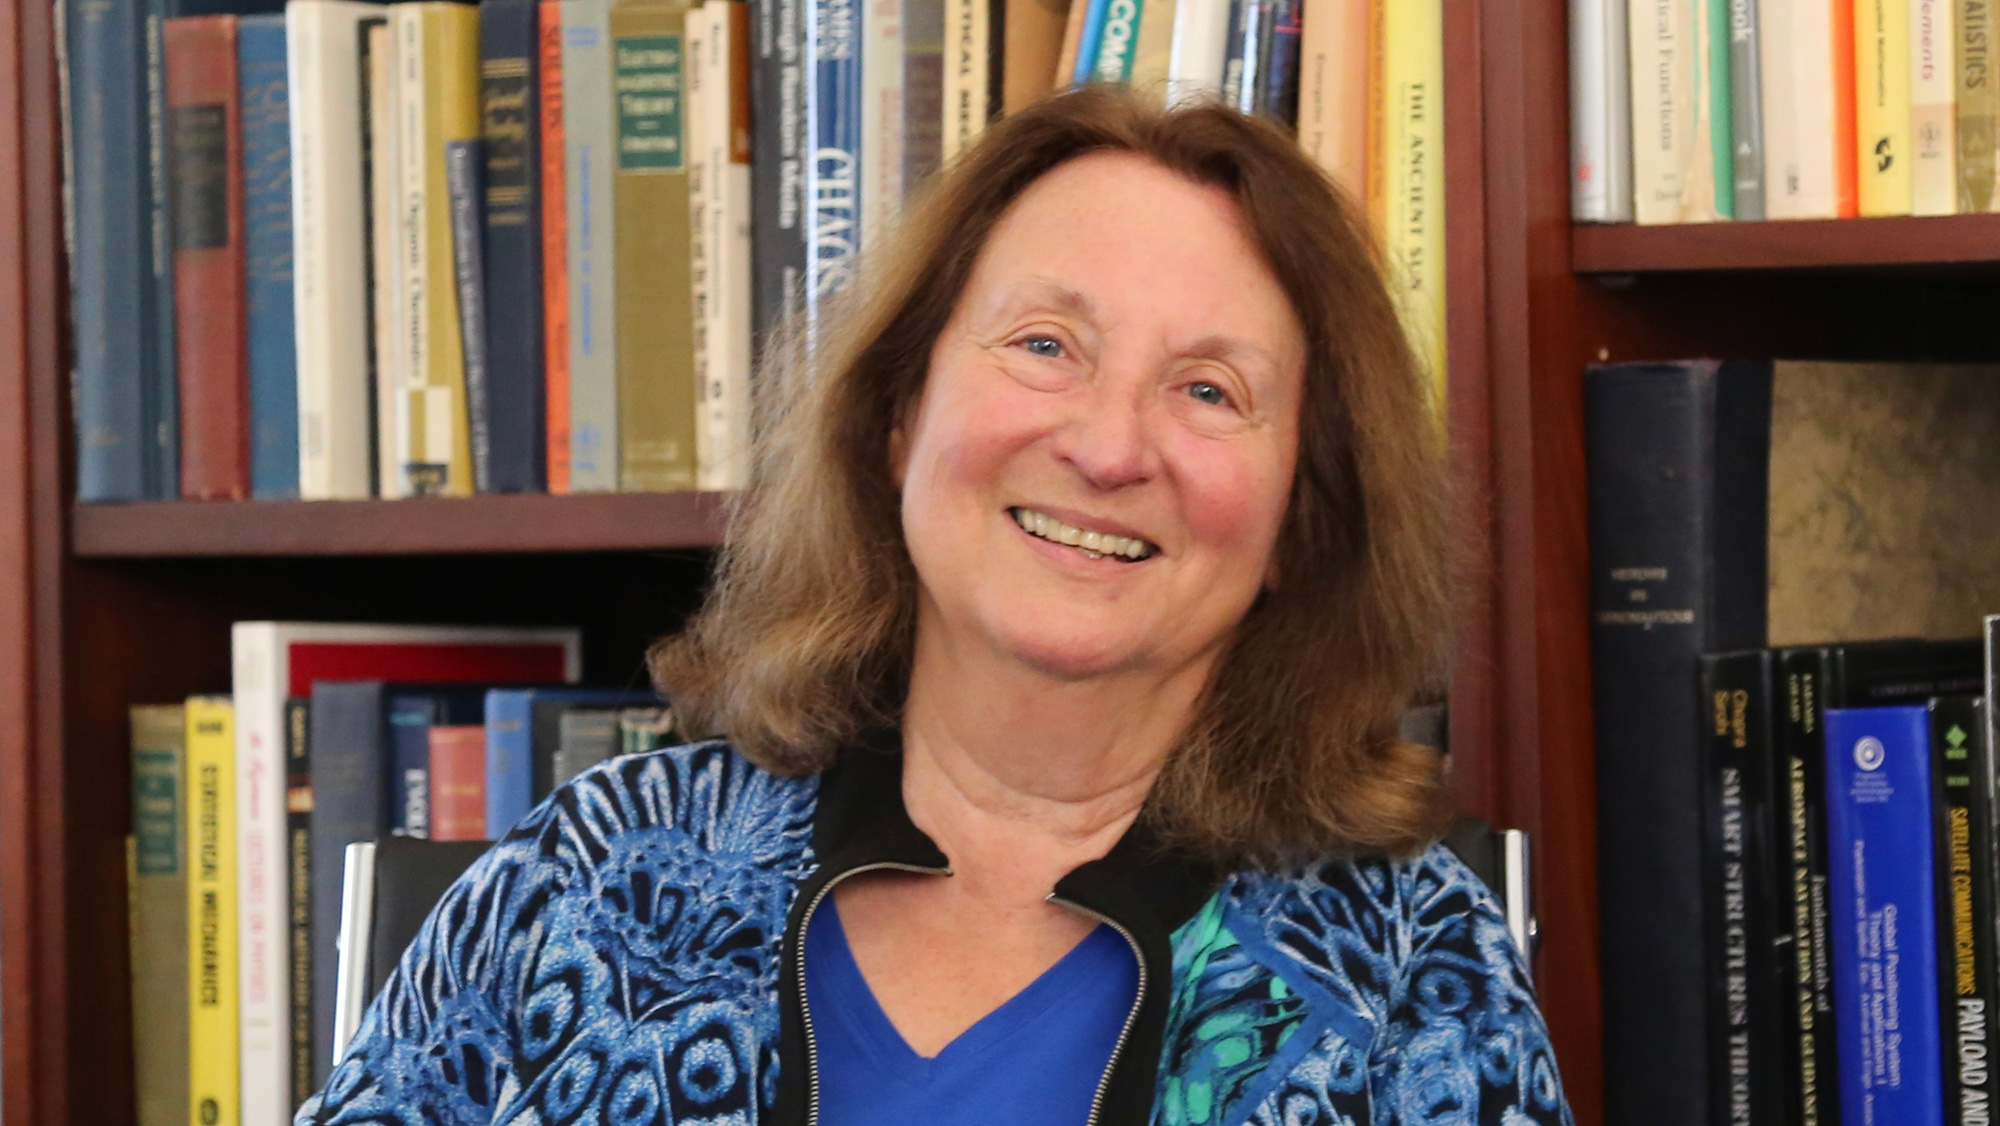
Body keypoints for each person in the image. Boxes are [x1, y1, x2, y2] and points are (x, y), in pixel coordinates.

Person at [298, 86, 1571, 1126]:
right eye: (1043, 345)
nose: (1108, 446)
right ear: (900, 415)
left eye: (1206, 389)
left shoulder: (1412, 972)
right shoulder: (599, 878)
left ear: (1300, 514)